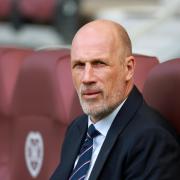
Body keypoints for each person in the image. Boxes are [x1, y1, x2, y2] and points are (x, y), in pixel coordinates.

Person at [50, 19, 180, 180]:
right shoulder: (78, 128)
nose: (87, 78)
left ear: (129, 69)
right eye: (79, 65)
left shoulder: (152, 140)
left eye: (99, 63)